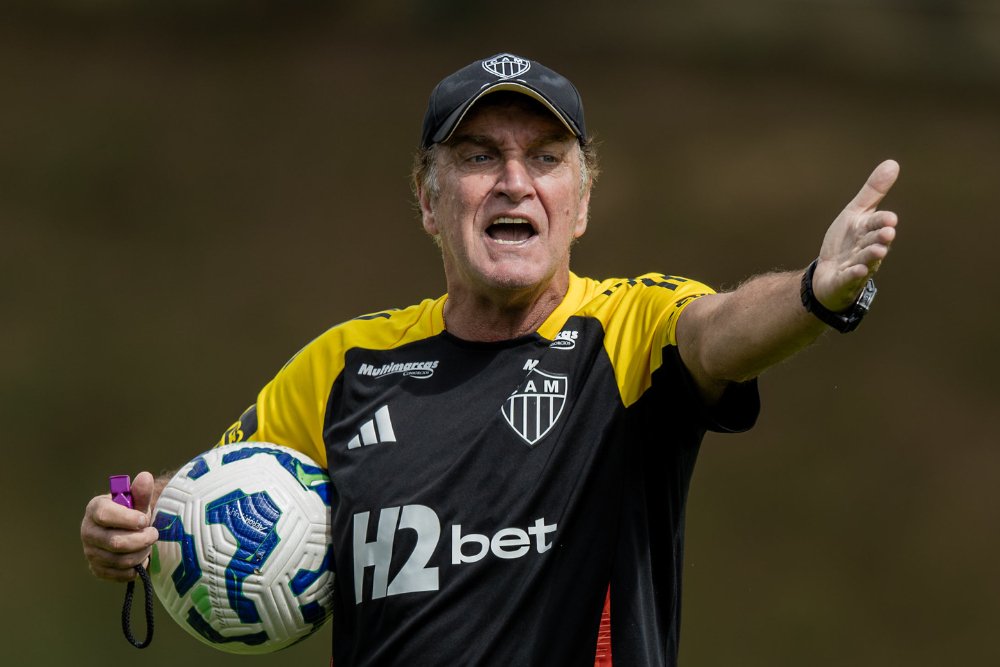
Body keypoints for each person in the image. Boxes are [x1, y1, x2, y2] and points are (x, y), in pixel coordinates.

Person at [80, 53, 900, 666]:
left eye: (545, 157)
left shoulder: (629, 328)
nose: (514, 181)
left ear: (581, 202)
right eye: (478, 156)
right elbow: (204, 501)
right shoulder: (346, 363)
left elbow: (720, 329)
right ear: (428, 200)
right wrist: (125, 520)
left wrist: (814, 290)